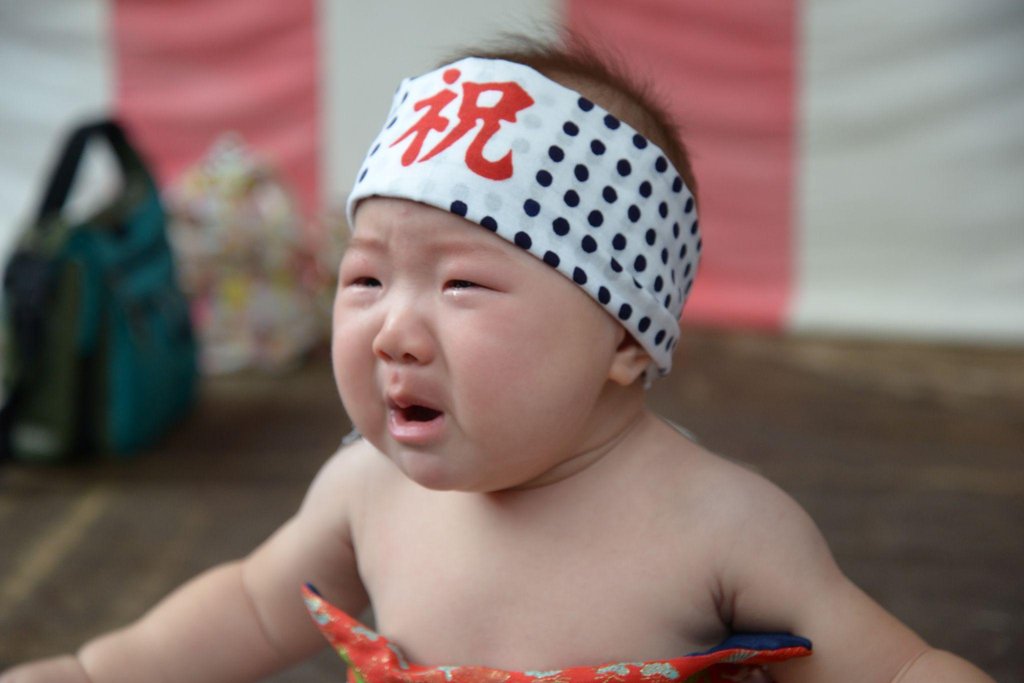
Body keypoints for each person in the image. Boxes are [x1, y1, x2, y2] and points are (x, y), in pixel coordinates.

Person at [2, 38, 994, 683]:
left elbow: (893, 665)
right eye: (365, 281)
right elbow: (257, 602)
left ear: (620, 335)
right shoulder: (365, 488)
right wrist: (99, 666)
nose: (393, 328)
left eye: (462, 286)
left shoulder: (722, 525)